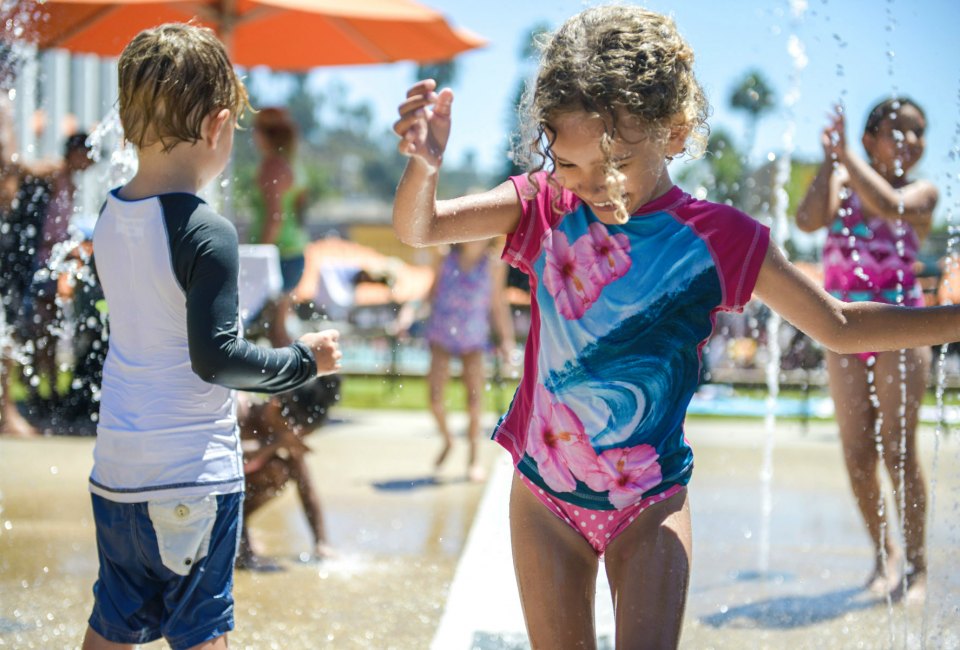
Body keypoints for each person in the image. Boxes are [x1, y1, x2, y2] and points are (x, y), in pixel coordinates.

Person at [392, 6, 960, 647]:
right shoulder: (544, 204)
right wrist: (425, 166)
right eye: (573, 165)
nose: (596, 189)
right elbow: (421, 228)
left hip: (650, 505)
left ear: (676, 132)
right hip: (543, 500)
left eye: (617, 165)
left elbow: (839, 324)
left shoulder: (722, 239)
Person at [81, 24, 342, 650]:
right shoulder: (205, 230)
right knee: (202, 634)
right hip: (191, 479)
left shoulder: (109, 217)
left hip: (117, 469)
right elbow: (218, 359)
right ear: (218, 127)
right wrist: (305, 361)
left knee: (112, 624)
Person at [796, 98, 937, 604]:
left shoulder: (921, 192)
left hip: (900, 329)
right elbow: (807, 219)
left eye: (920, 133)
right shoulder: (842, 178)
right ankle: (883, 556)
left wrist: (848, 161)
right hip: (844, 334)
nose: (913, 141)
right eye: (899, 131)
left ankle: (918, 568)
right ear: (870, 139)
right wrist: (831, 160)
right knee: (858, 454)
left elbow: (889, 207)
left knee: (899, 451)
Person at [423, 239, 515, 481]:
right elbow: (431, 292)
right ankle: (448, 439)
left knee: (474, 403)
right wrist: (409, 314)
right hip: (441, 334)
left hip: (473, 339)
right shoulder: (444, 255)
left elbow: (498, 304)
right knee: (434, 399)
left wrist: (506, 340)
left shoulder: (494, 264)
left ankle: (473, 459)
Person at [22, 132, 95, 421]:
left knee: (50, 328)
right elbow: (25, 168)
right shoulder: (55, 172)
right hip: (40, 261)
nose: (90, 162)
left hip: (53, 261)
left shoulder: (71, 183)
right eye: (86, 154)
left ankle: (49, 390)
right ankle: (38, 391)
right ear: (74, 152)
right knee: (39, 329)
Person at [235, 375, 341, 569]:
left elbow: (307, 489)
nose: (295, 438)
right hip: (206, 499)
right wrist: (275, 442)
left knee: (280, 470)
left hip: (236, 505)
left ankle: (240, 533)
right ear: (275, 407)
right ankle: (233, 537)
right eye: (295, 432)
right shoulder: (239, 412)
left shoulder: (284, 435)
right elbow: (224, 458)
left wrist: (321, 543)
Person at [248, 107, 310, 348]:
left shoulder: (271, 167)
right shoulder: (292, 165)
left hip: (277, 254)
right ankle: (292, 385)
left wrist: (257, 255)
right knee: (278, 330)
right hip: (293, 251)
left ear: (264, 135)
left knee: (276, 333)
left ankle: (290, 385)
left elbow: (274, 217)